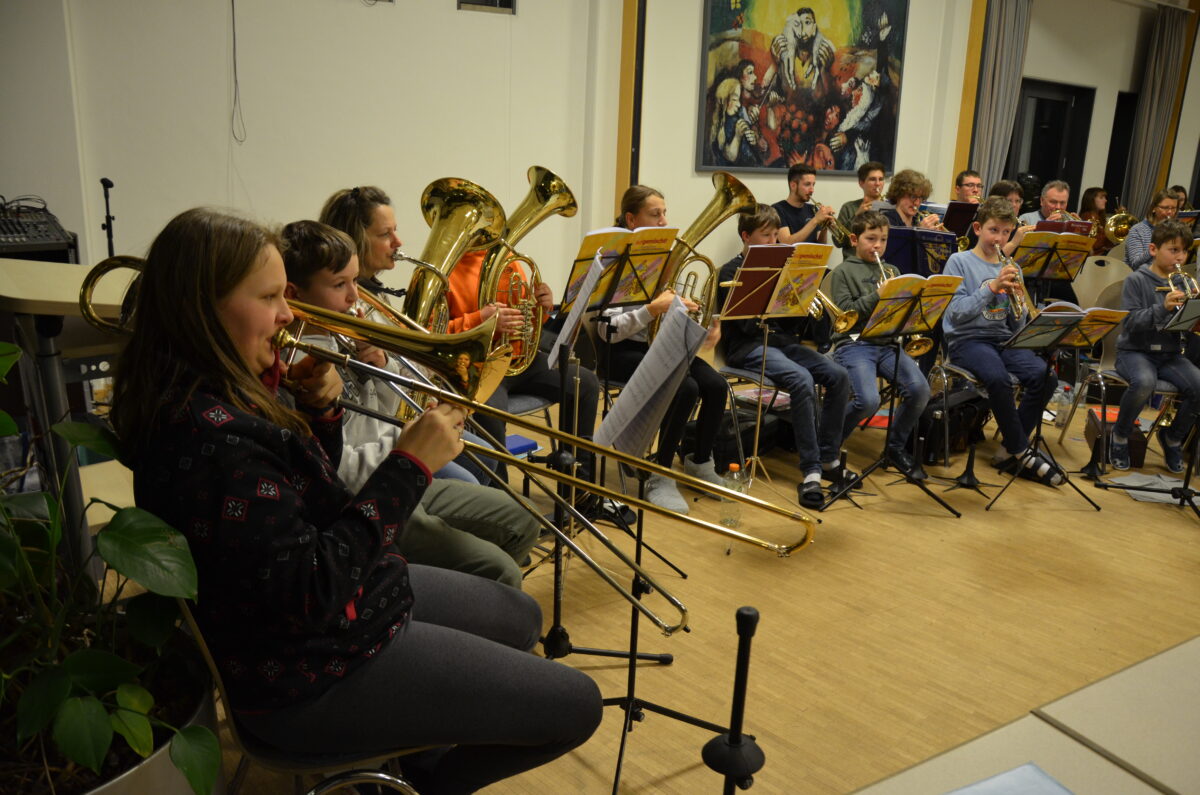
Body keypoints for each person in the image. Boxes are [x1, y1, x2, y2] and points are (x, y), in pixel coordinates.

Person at [111, 208, 602, 794]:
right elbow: (315, 587)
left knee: (521, 617)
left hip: (347, 608)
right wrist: (410, 466)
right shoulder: (209, 439)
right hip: (310, 671)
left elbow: (308, 499)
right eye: (268, 297)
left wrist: (318, 413)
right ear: (202, 310)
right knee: (579, 705)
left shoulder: (222, 391)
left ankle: (415, 755)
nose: (288, 315)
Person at [280, 220, 539, 589]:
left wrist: (383, 362)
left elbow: (392, 405)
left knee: (524, 520)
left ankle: (467, 597)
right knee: (500, 569)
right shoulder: (294, 364)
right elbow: (338, 468)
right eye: (340, 285)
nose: (355, 296)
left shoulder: (347, 329)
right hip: (365, 493)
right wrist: (413, 446)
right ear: (293, 293)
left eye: (355, 281)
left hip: (397, 468)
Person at [319, 186, 603, 484]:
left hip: (513, 359)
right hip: (477, 367)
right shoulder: (442, 273)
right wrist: (480, 321)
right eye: (385, 233)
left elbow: (526, 323)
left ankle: (580, 482)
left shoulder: (510, 263)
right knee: (489, 424)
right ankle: (497, 496)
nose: (398, 242)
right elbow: (432, 335)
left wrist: (540, 308)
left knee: (584, 383)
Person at [597, 186, 727, 512]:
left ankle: (699, 461)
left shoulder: (661, 258)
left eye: (664, 213)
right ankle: (660, 472)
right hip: (618, 352)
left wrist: (703, 318)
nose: (664, 221)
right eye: (655, 214)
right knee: (685, 388)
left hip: (656, 345)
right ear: (631, 219)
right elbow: (607, 331)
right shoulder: (612, 262)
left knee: (715, 385)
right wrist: (652, 310)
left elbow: (673, 305)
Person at [717, 203, 854, 508]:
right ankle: (811, 469)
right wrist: (771, 298)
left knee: (838, 375)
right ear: (746, 236)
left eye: (774, 236)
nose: (773, 242)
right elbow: (744, 326)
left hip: (778, 341)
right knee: (801, 379)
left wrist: (799, 301)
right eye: (765, 236)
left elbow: (788, 328)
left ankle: (829, 456)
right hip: (747, 347)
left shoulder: (781, 268)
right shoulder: (730, 271)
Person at [943, 198, 1063, 486]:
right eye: (993, 230)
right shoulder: (959, 262)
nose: (999, 238)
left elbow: (1016, 323)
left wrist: (1018, 302)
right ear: (977, 228)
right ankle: (1022, 451)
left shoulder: (1013, 267)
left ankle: (1008, 449)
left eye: (1006, 232)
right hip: (967, 341)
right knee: (998, 378)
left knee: (1045, 376)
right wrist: (993, 287)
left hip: (1002, 340)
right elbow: (956, 313)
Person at [828, 211, 931, 478]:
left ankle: (894, 447)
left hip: (887, 344)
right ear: (854, 239)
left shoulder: (892, 271)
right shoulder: (842, 272)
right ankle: (827, 445)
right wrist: (878, 295)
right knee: (868, 400)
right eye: (871, 238)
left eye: (883, 239)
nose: (878, 245)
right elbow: (846, 314)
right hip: (854, 344)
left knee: (920, 390)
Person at [1108, 220, 1200, 473]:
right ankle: (1120, 434)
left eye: (1184, 251)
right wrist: (1163, 308)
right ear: (1153, 249)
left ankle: (1172, 437)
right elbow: (1130, 322)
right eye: (1173, 250)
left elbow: (1184, 327)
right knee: (1144, 383)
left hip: (1169, 354)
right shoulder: (1136, 280)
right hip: (1134, 351)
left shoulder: (1182, 282)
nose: (1180, 257)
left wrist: (1193, 312)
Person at [836, 161, 886, 256]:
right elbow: (838, 242)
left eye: (881, 179)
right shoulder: (848, 207)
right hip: (855, 262)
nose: (877, 183)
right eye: (872, 179)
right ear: (861, 183)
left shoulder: (891, 208)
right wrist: (857, 215)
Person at [774, 164, 833, 245]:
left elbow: (821, 245)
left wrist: (824, 227)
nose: (812, 190)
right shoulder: (777, 210)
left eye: (813, 185)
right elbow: (787, 243)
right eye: (807, 184)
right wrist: (815, 220)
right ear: (793, 185)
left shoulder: (813, 209)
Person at [711, 77, 764, 167]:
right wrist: (737, 136)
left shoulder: (738, 116)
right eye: (735, 99)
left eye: (739, 100)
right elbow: (730, 157)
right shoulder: (719, 125)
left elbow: (751, 148)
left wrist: (752, 139)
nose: (739, 104)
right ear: (724, 100)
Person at [1124, 189, 1181, 270]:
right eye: (1165, 208)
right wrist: (1156, 245)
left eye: (1173, 208)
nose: (1170, 212)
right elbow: (1135, 264)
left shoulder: (1174, 231)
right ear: (1154, 208)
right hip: (1141, 275)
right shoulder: (1138, 230)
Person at [1078, 186, 1114, 256]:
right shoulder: (1088, 217)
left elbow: (1108, 243)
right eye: (1101, 198)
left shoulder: (1100, 217)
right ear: (1091, 200)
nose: (1105, 200)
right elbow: (1093, 243)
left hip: (1102, 254)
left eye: (1105, 197)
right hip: (1095, 258)